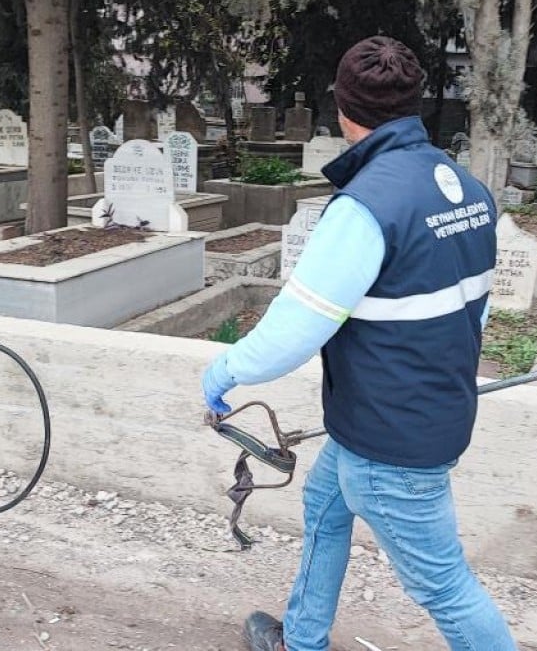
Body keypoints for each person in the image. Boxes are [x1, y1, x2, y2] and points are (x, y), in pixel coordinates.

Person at [201, 36, 517, 651]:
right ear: (416, 105)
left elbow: (297, 327)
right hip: (408, 417)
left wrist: (224, 372)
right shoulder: (468, 192)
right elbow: (469, 314)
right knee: (324, 505)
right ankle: (304, 639)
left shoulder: (365, 208)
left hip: (390, 440)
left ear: (343, 111)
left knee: (445, 587)